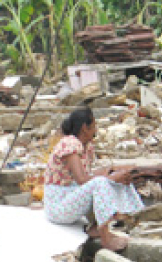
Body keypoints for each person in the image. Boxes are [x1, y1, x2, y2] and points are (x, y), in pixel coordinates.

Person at [44, 107, 144, 252]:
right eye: (94, 125)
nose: (96, 129)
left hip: (70, 197)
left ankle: (114, 220)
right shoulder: (70, 144)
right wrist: (107, 176)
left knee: (114, 178)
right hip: (58, 206)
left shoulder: (87, 146)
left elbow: (87, 176)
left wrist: (112, 171)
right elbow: (82, 180)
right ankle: (105, 238)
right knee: (101, 182)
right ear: (85, 128)